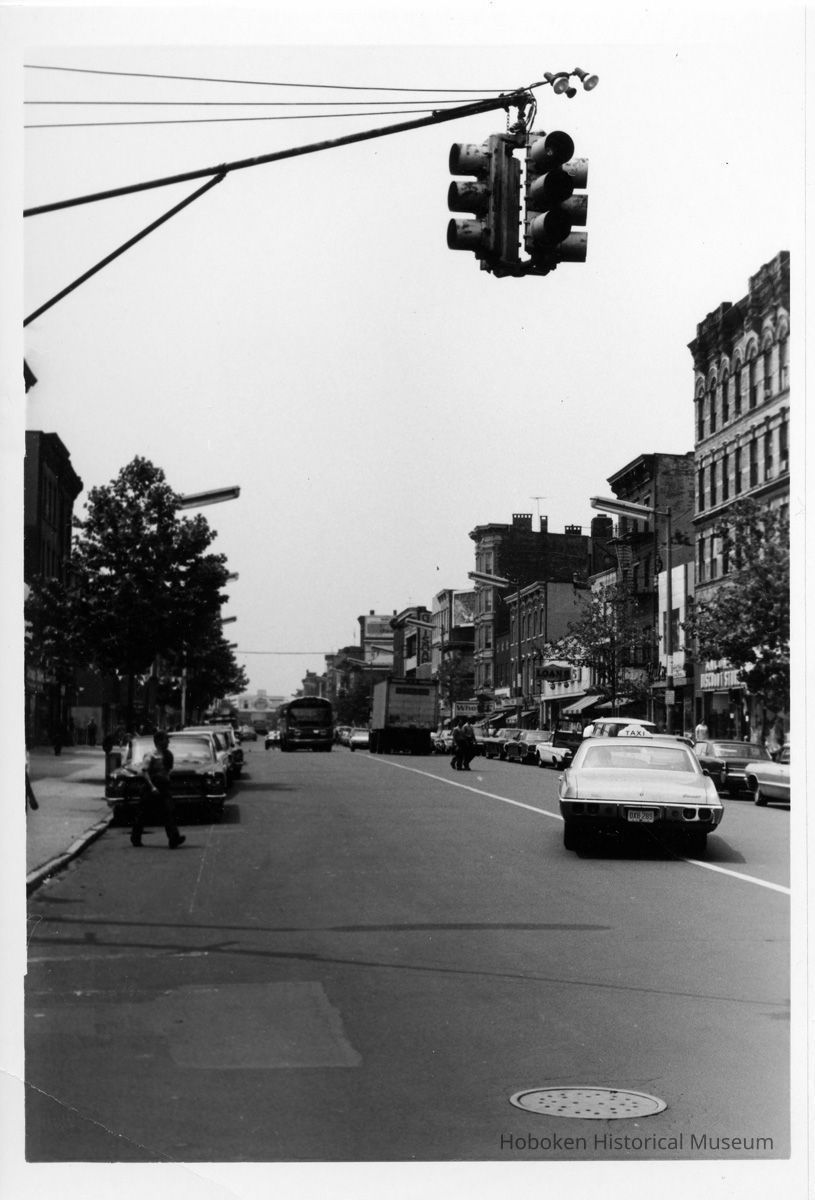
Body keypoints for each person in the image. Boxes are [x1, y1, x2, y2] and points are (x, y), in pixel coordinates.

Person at [130, 730, 185, 849]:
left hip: (163, 787)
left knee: (169, 812)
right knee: (142, 813)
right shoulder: (150, 756)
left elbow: (167, 771)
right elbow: (144, 772)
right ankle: (135, 837)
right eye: (166, 739)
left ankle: (174, 838)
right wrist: (152, 787)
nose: (168, 742)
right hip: (151, 787)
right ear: (159, 741)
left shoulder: (168, 755)